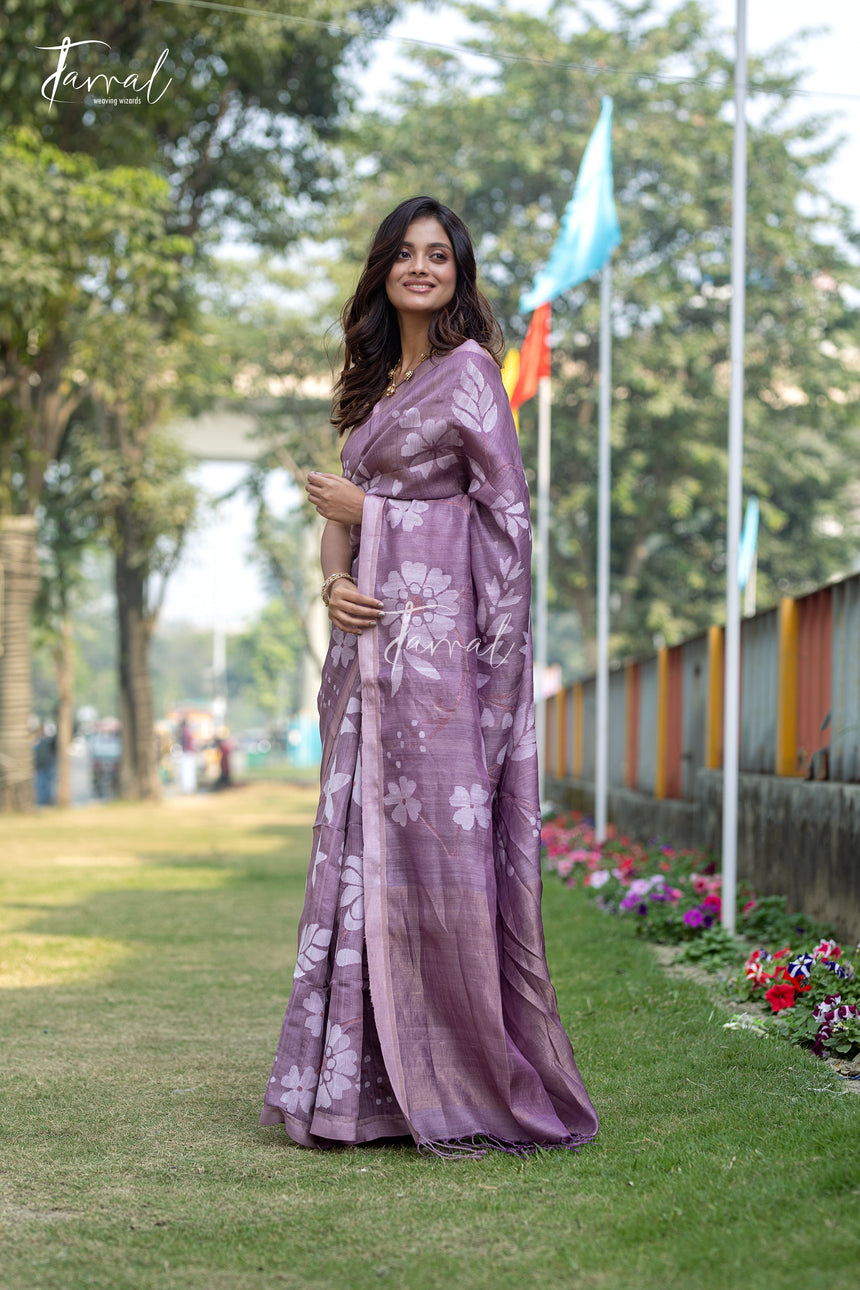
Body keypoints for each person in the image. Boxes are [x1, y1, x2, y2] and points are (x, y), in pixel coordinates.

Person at [261, 196, 598, 1158]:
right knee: (361, 858)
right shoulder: (373, 386)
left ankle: (456, 1078)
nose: (420, 267)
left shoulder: (470, 376)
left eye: (438, 255)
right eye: (404, 254)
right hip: (366, 661)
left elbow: (506, 522)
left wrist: (377, 514)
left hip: (441, 666)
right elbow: (341, 504)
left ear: (459, 273)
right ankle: (354, 1089)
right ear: (382, 272)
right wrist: (332, 577)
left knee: (439, 867)